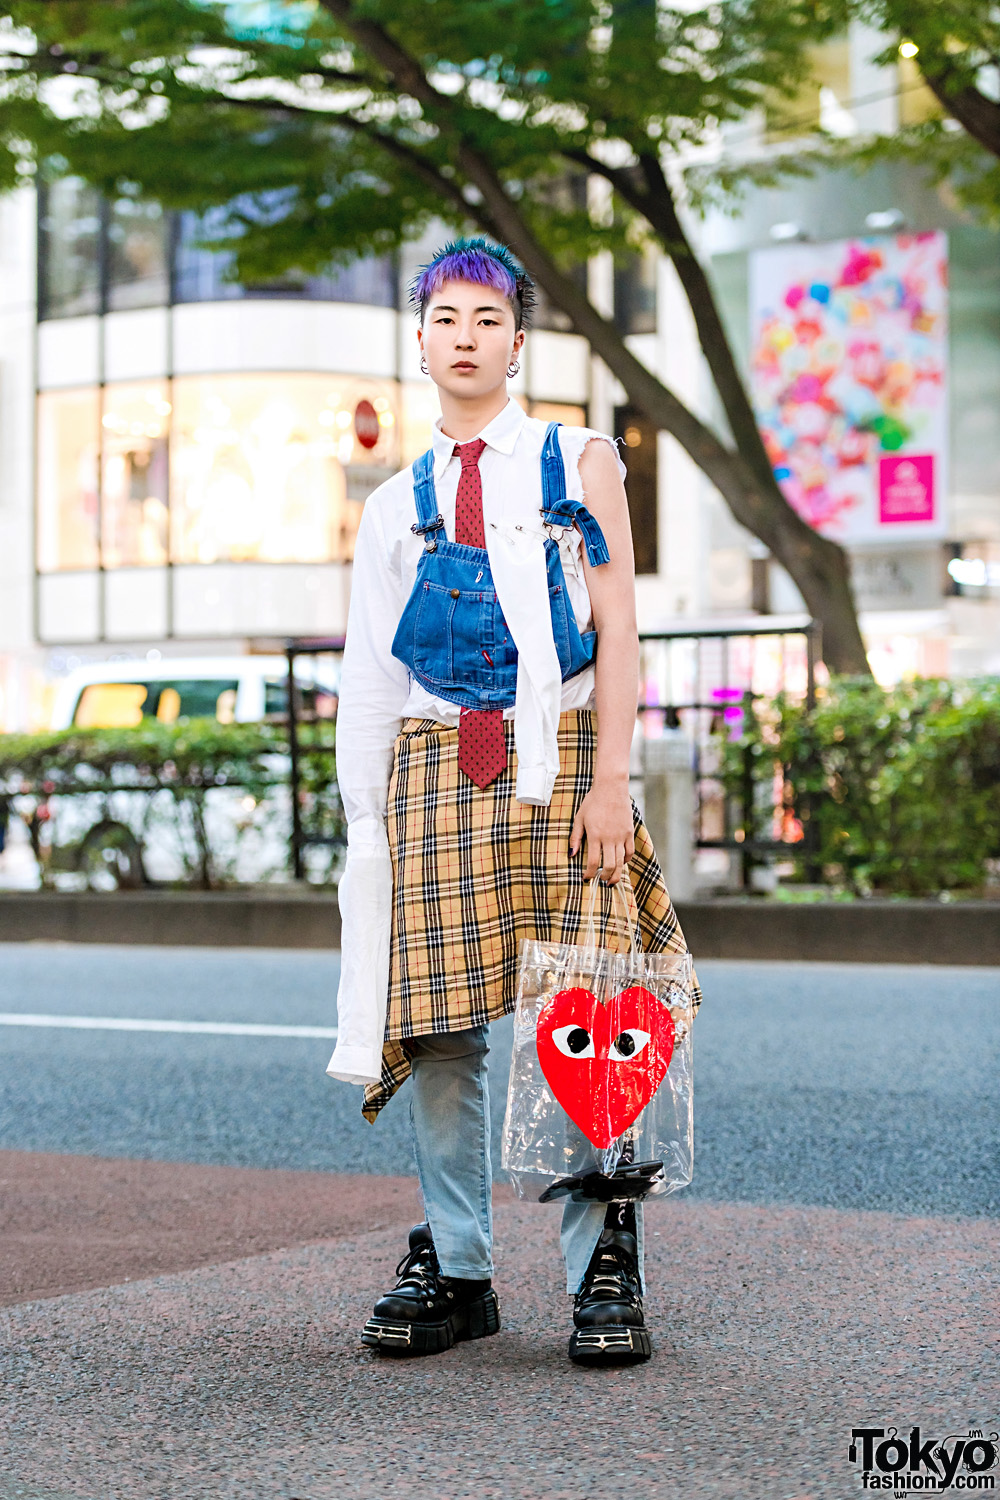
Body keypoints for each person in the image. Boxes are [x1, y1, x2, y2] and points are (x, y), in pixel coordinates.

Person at [327, 237, 699, 1365]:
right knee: (439, 1028)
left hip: (563, 756)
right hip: (437, 767)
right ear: (423, 339)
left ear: (518, 341)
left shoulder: (576, 458)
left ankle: (601, 1274)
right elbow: (370, 673)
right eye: (444, 318)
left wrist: (610, 780)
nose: (465, 338)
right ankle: (458, 1265)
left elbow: (618, 625)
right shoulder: (394, 505)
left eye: (486, 319)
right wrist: (365, 822)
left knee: (590, 1020)